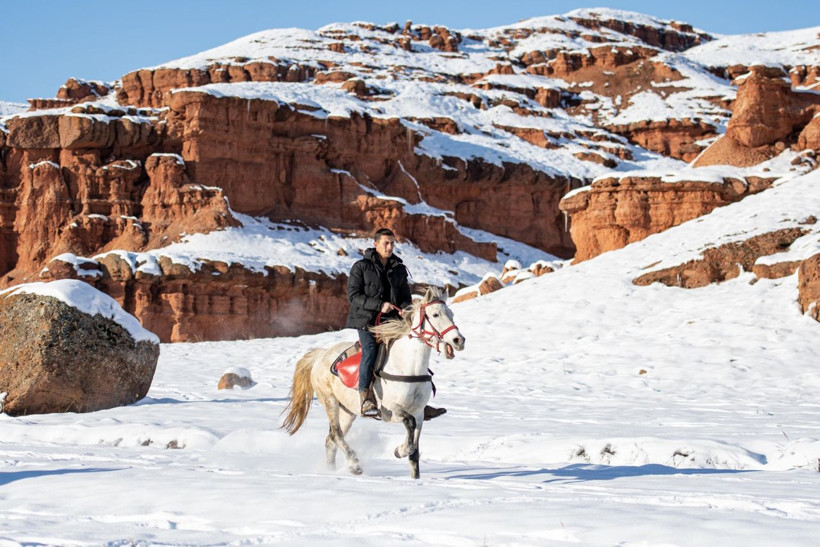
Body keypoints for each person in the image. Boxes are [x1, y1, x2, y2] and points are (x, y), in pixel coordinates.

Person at [345, 228, 446, 420]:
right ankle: (366, 396)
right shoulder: (361, 266)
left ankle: (417, 402)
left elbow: (405, 298)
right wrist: (379, 305)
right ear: (375, 244)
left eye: (392, 243)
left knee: (411, 347)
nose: (390, 247)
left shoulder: (399, 269)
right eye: (386, 243)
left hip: (392, 322)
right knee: (370, 351)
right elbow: (353, 296)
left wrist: (409, 309)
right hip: (366, 321)